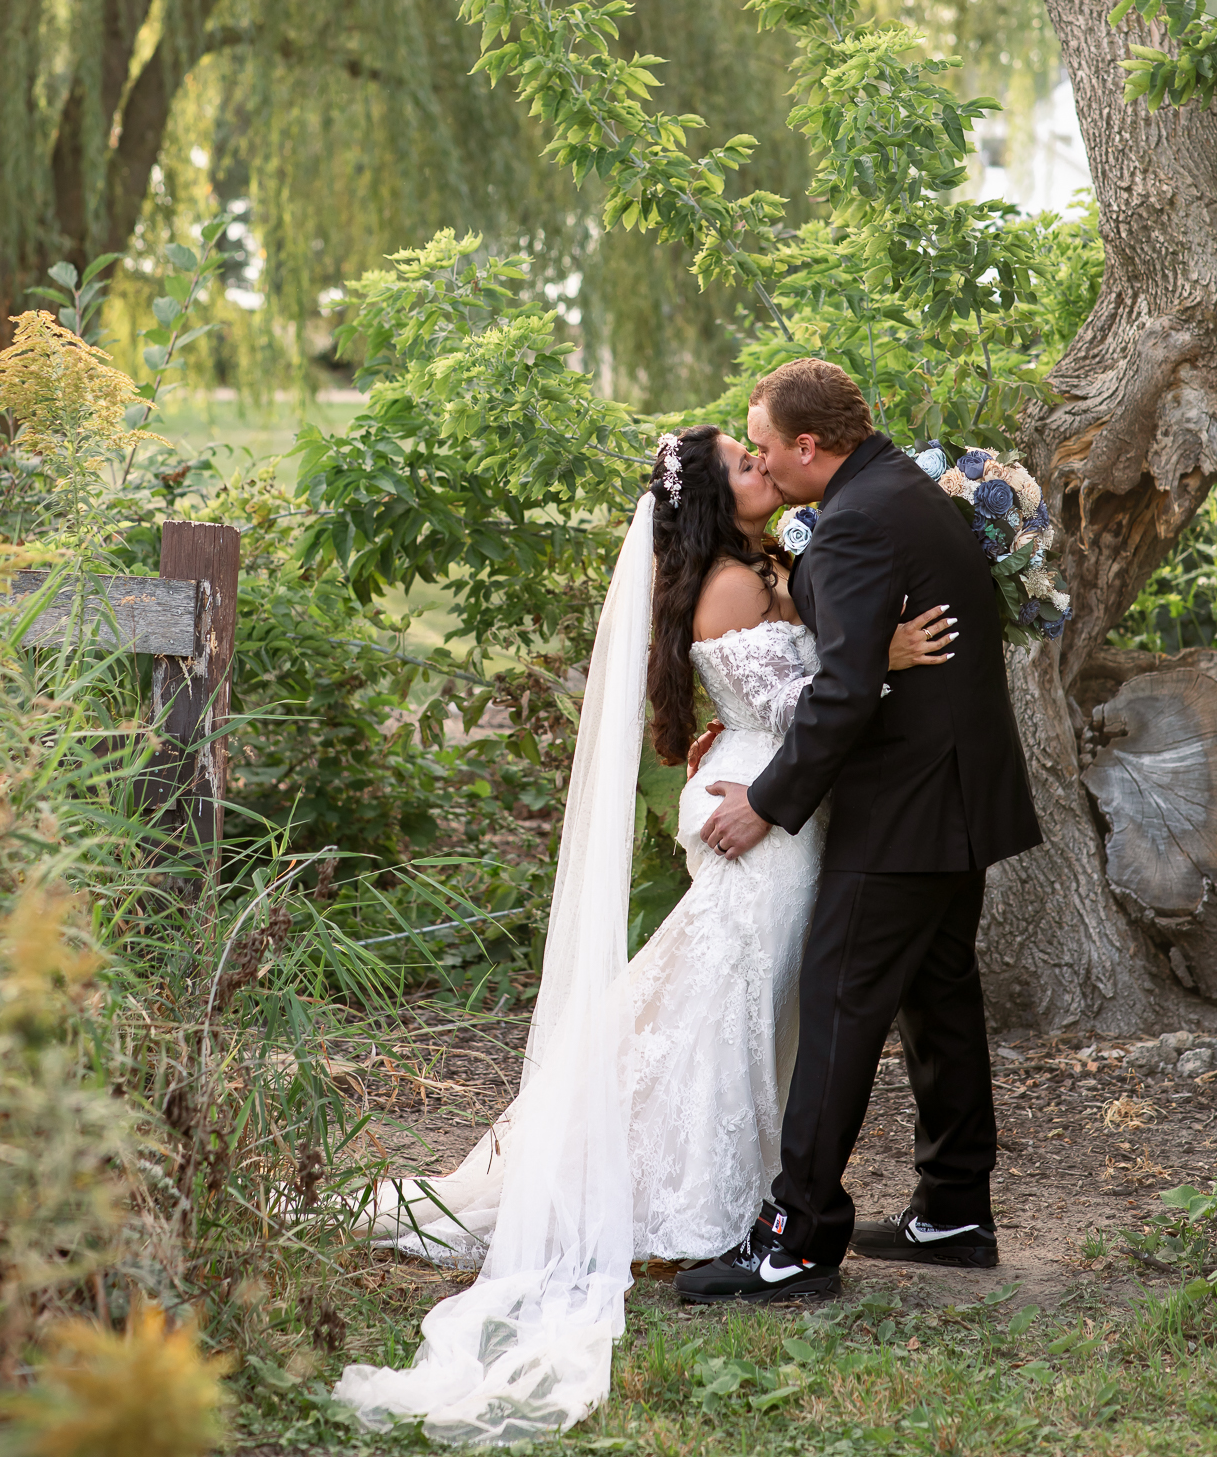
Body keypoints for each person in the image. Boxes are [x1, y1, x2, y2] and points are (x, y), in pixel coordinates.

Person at [334, 423, 951, 1443]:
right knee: (733, 999)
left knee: (725, 996)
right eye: (745, 463)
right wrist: (878, 653)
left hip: (769, 799)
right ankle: (708, 1205)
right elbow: (809, 708)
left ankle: (753, 1191)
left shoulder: (761, 564)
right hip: (763, 813)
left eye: (760, 454)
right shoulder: (732, 584)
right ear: (715, 498)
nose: (763, 467)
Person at [682, 360, 1042, 1306]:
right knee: (936, 994)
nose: (760, 461)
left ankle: (797, 1243)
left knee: (839, 1004)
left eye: (763, 446)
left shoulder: (848, 525)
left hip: (906, 808)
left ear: (808, 445)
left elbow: (843, 691)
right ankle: (954, 1208)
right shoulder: (903, 490)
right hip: (956, 794)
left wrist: (765, 800)